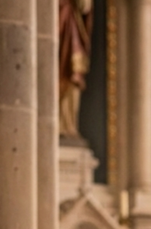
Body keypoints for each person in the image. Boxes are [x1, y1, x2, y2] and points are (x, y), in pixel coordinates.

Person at [59, 0, 93, 140]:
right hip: (60, 25)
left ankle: (67, 125)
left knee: (73, 78)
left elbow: (84, 6)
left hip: (73, 30)